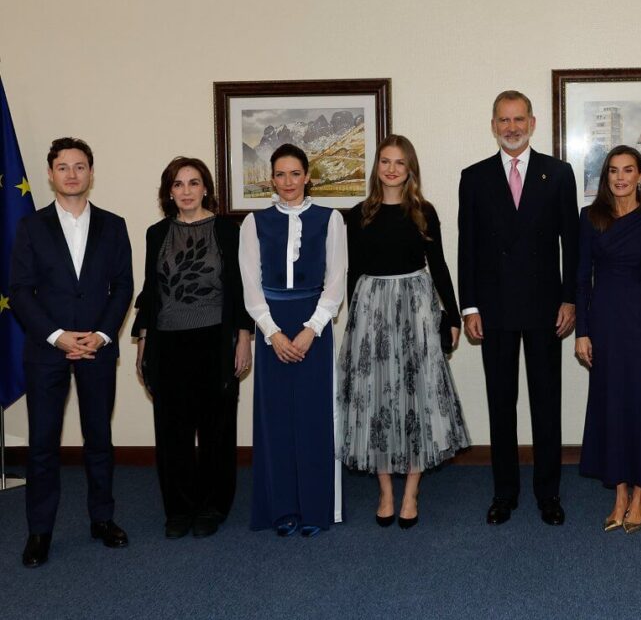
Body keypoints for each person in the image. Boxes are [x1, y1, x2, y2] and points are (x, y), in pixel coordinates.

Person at [10, 137, 133, 567]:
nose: (72, 174)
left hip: (97, 348)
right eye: (63, 167)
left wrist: (101, 335)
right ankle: (39, 532)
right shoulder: (31, 226)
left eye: (80, 166)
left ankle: (102, 519)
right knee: (43, 444)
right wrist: (57, 335)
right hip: (47, 350)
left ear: (91, 173)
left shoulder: (114, 225)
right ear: (50, 174)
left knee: (99, 439)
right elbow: (20, 291)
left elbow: (123, 287)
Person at [458, 90, 579, 526]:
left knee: (547, 403)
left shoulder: (559, 174)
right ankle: (504, 493)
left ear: (533, 122)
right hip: (493, 311)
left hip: (547, 309)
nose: (511, 127)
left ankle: (549, 494)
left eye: (518, 119)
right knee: (500, 404)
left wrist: (571, 297)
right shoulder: (473, 178)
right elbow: (466, 248)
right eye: (503, 120)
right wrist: (468, 306)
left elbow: (573, 243)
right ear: (493, 125)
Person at [339, 135, 469, 529]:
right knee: (376, 397)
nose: (392, 169)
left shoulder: (423, 212)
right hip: (371, 310)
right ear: (376, 167)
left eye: (400, 162)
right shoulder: (357, 214)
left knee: (417, 394)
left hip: (416, 308)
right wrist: (353, 322)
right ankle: (385, 492)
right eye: (385, 162)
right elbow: (352, 272)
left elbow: (440, 266)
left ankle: (411, 490)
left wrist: (454, 316)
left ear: (410, 168)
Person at [131, 157, 253, 539]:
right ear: (169, 191)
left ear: (206, 189)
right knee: (173, 432)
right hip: (168, 343)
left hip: (215, 341)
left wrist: (244, 337)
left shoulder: (227, 231)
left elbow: (239, 288)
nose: (186, 191)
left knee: (216, 431)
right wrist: (143, 342)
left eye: (193, 183)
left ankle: (212, 507)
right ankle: (179, 508)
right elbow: (151, 292)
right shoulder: (156, 234)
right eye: (178, 184)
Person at [239, 143, 347, 537]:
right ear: (272, 179)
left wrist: (310, 329)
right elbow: (250, 287)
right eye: (280, 174)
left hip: (313, 327)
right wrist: (272, 333)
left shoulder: (330, 219)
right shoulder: (253, 224)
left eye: (295, 174)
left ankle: (316, 508)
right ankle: (280, 507)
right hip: (272, 329)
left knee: (313, 418)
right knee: (276, 420)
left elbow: (336, 283)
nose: (288, 182)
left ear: (308, 177)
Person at [575, 146, 641, 534]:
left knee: (640, 404)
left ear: (640, 176)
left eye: (628, 170)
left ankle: (640, 492)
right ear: (606, 177)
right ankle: (618, 492)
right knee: (608, 404)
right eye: (613, 171)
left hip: (639, 321)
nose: (620, 177)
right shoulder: (590, 217)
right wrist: (582, 331)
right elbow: (581, 278)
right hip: (602, 322)